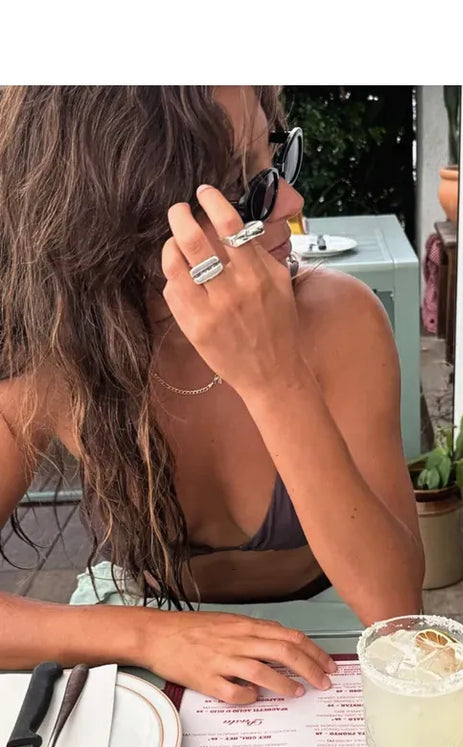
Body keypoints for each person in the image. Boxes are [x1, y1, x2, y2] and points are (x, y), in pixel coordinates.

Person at [0, 86, 424, 704]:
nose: (293, 202)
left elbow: (395, 609)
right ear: (116, 212)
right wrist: (152, 635)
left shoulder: (339, 318)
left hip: (335, 623)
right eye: (240, 186)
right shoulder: (52, 356)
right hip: (133, 625)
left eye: (275, 158)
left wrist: (275, 377)